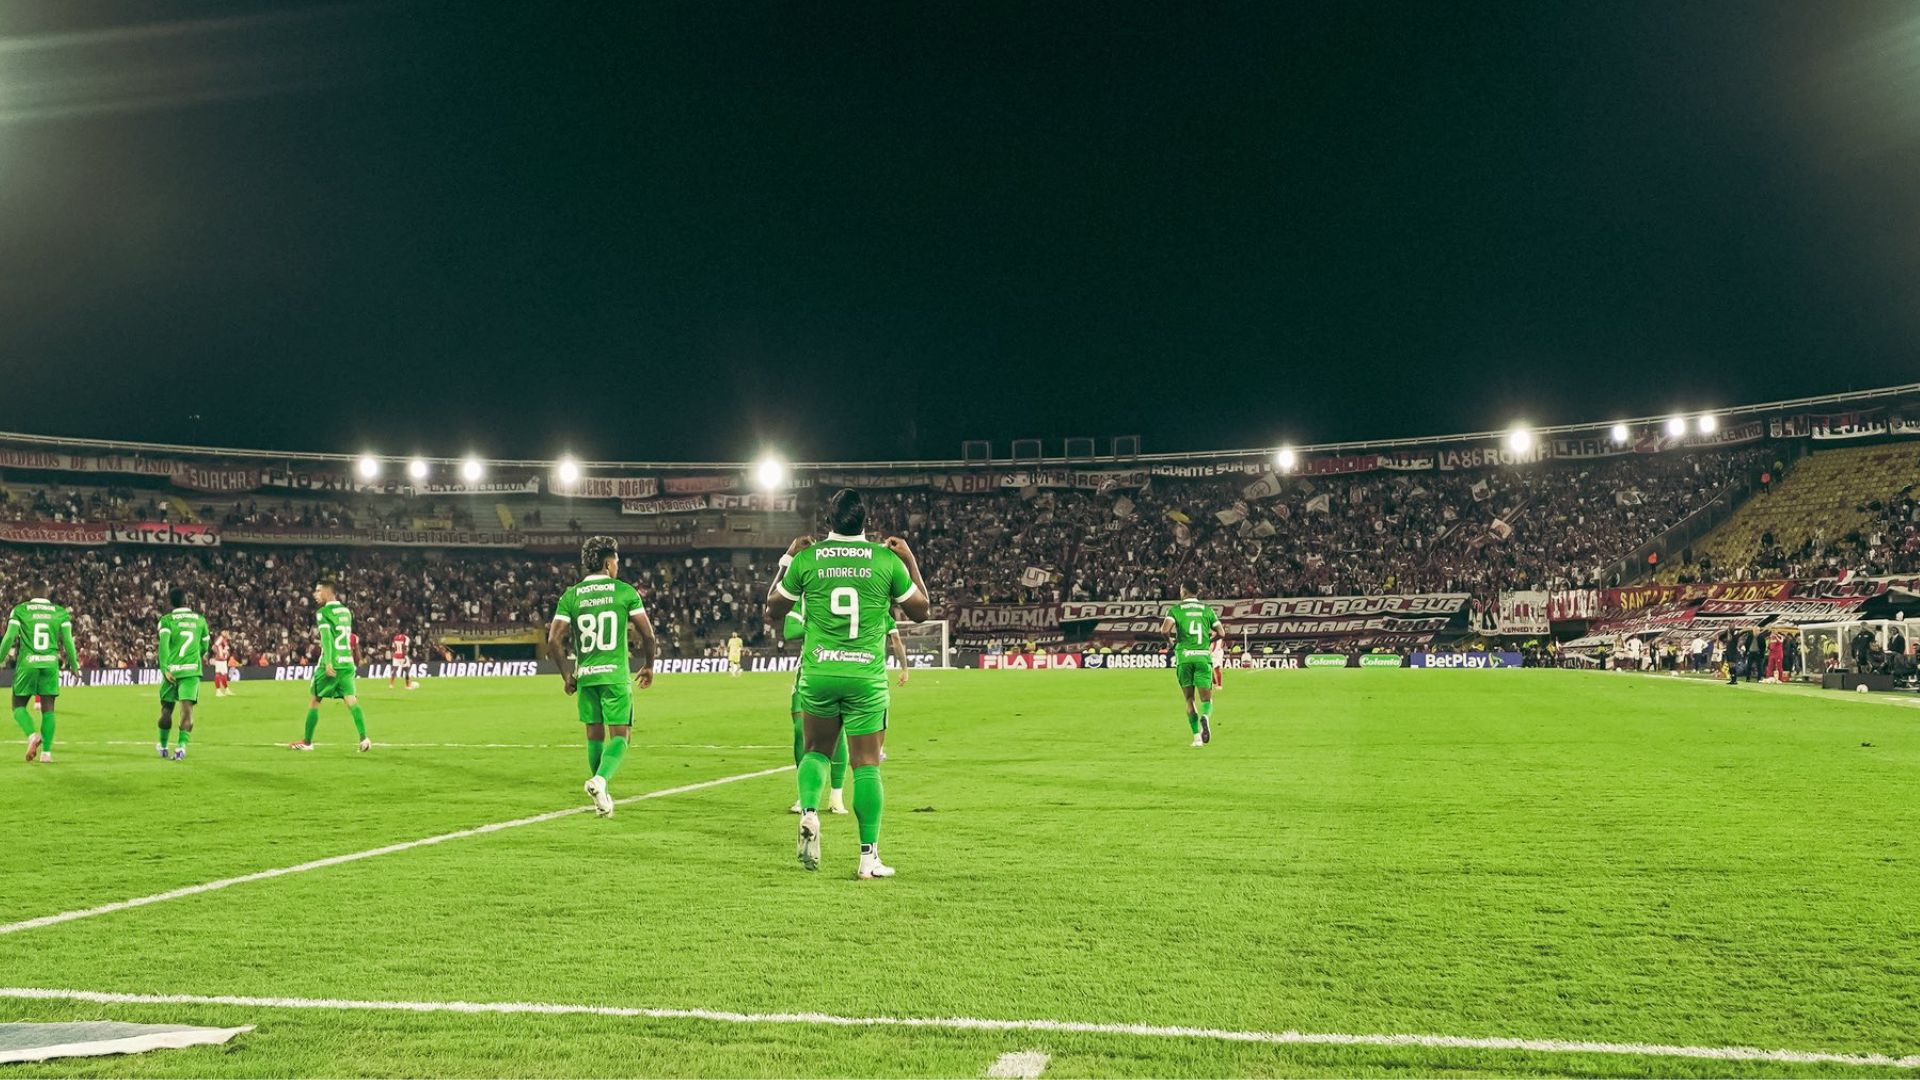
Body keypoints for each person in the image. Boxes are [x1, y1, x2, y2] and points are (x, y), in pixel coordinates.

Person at [767, 488, 930, 880]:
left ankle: (809, 811)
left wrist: (788, 558)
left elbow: (773, 608)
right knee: (867, 765)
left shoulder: (808, 559)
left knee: (816, 752)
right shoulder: (885, 560)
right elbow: (922, 611)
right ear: (864, 521)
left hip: (820, 673)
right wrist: (910, 560)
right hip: (865, 678)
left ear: (828, 520)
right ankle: (867, 858)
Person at [549, 535, 657, 817]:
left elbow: (553, 641)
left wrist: (565, 675)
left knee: (594, 735)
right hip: (614, 675)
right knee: (621, 737)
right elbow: (647, 634)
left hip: (586, 676)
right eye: (617, 562)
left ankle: (601, 797)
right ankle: (600, 780)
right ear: (609, 563)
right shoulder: (624, 592)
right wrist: (649, 665)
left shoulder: (570, 596)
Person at [776, 537, 848, 817]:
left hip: (840, 667)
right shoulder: (802, 597)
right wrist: (820, 625)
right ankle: (803, 794)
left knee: (838, 734)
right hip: (808, 670)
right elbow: (789, 632)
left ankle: (837, 795)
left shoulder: (839, 589)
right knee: (799, 732)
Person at [289, 577, 372, 752]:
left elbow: (326, 639)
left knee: (315, 700)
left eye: (318, 591)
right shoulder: (346, 612)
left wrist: (327, 662)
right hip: (347, 663)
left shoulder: (323, 613)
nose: (315, 594)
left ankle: (307, 741)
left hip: (331, 663)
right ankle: (364, 739)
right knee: (351, 700)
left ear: (328, 592)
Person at [1, 582, 78, 763]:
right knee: (48, 709)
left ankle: (32, 735)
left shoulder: (20, 610)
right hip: (50, 664)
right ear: (47, 594)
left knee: (18, 706)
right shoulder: (60, 612)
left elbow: (10, 637)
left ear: (30, 594)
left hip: (28, 664)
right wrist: (74, 665)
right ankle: (47, 754)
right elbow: (68, 641)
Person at [1161, 583, 1223, 747]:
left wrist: (1171, 643)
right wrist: (1207, 641)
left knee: (1189, 699)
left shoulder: (1176, 610)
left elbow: (1164, 630)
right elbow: (1222, 633)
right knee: (1206, 700)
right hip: (1202, 657)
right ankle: (1206, 717)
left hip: (1185, 657)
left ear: (1184, 591)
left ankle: (1197, 738)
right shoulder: (1207, 610)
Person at [155, 587, 208, 761]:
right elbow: (205, 647)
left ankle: (163, 746)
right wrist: (194, 659)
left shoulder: (167, 620)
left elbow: (163, 646)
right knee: (187, 712)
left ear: (170, 602)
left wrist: (165, 669)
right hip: (191, 672)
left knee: (166, 711)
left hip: (172, 672)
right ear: (187, 601)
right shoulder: (200, 620)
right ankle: (181, 748)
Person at [211, 631, 232, 697]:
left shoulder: (225, 640)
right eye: (225, 631)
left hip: (223, 660)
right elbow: (214, 646)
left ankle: (226, 690)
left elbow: (223, 649)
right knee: (219, 673)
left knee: (224, 675)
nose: (227, 633)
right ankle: (218, 691)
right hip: (220, 659)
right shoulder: (221, 638)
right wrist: (219, 653)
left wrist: (226, 653)